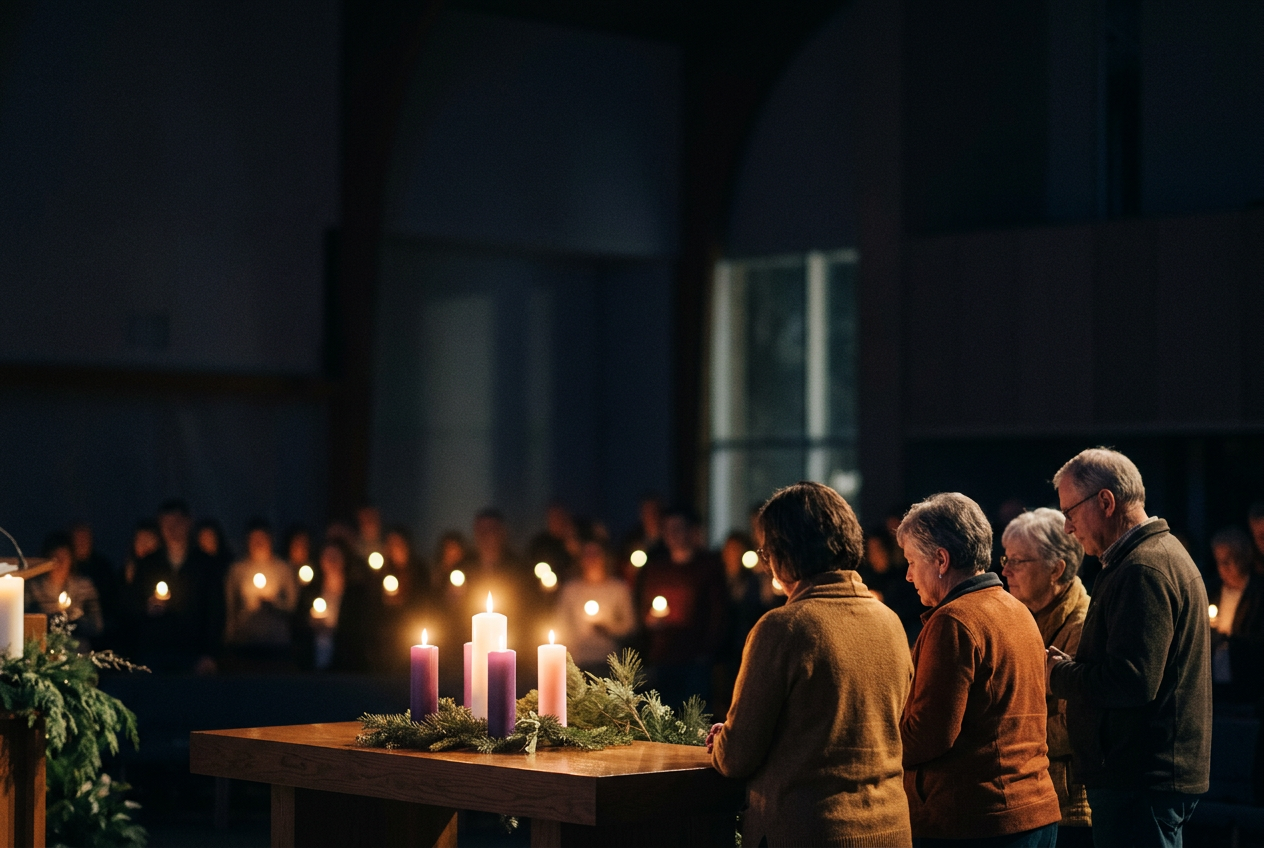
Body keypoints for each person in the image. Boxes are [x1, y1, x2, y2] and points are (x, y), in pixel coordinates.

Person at [707, 482, 913, 847]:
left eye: (767, 549)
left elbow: (737, 757)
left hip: (810, 830)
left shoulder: (783, 628)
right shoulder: (889, 621)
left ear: (785, 551)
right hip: (890, 827)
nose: (766, 559)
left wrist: (722, 741)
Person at [1046, 448, 1211, 848]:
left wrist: (1058, 674)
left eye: (1070, 513)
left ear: (1105, 501)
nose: (1067, 528)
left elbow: (1133, 681)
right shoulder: (1146, 559)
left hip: (1138, 780)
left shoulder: (1142, 569)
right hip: (1142, 779)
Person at [898, 492, 1061, 846]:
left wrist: (876, 746)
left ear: (941, 559)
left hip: (977, 819)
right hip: (1032, 810)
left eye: (912, 561)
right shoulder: (1017, 610)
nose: (909, 575)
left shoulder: (954, 621)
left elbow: (931, 734)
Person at [1002, 508, 1093, 845]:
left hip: (1070, 803)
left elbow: (1075, 726)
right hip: (1032, 794)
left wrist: (1005, 730)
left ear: (1057, 569)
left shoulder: (1083, 627)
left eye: (1019, 561)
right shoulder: (1022, 615)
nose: (1005, 570)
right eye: (1005, 557)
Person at [637, 506, 726, 706]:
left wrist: (707, 650)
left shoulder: (707, 568)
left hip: (695, 659)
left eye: (678, 528)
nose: (672, 534)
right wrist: (650, 621)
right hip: (663, 656)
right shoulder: (655, 569)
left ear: (689, 531)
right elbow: (644, 608)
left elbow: (718, 613)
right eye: (667, 529)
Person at [121, 500, 222, 673]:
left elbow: (216, 611)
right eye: (166, 524)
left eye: (177, 523)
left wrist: (210, 653)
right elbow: (130, 604)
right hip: (155, 651)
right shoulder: (148, 564)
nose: (172, 529)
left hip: (193, 652)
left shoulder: (205, 564)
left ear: (188, 523)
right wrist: (147, 607)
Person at [223, 519, 299, 670]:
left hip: (276, 640)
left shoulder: (283, 569)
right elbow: (230, 606)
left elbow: (292, 605)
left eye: (262, 538)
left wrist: (273, 604)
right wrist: (228, 638)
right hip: (245, 639)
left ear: (270, 539)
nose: (258, 543)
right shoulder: (238, 570)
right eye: (253, 539)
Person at [556, 536, 635, 673]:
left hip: (609, 660)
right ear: (580, 558)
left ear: (605, 557)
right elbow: (560, 624)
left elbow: (630, 625)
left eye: (596, 553)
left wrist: (608, 628)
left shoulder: (618, 588)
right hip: (577, 661)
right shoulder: (570, 589)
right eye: (587, 554)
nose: (591, 558)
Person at [1207, 526, 1264, 704]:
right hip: (1214, 682)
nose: (1224, 567)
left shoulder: (1258, 594)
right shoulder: (1212, 591)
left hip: (1248, 683)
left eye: (1230, 559)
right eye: (1219, 561)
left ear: (1244, 558)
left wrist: (1228, 641)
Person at [27, 532, 104, 650]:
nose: (60, 563)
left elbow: (97, 625)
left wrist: (74, 624)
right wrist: (50, 622)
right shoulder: (33, 588)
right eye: (55, 558)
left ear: (71, 559)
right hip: (44, 650)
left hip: (77, 651)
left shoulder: (84, 586)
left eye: (65, 557)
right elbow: (26, 622)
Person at [70, 522, 117, 647]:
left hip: (99, 629)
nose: (81, 542)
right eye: (77, 539)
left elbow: (111, 598)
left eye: (85, 538)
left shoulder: (102, 566)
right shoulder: (66, 569)